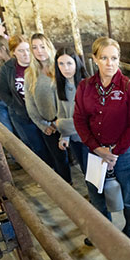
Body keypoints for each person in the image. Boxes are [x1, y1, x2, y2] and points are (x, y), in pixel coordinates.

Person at [74, 37, 130, 244]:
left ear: (119, 59)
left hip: (123, 151)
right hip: (95, 151)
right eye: (104, 57)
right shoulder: (85, 87)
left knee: (128, 192)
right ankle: (103, 232)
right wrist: (96, 148)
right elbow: (79, 118)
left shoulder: (129, 88)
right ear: (94, 58)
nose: (109, 63)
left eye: (114, 58)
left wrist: (115, 151)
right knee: (96, 192)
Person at [0, 34, 52, 165]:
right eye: (20, 50)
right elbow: (1, 91)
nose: (26, 54)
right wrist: (17, 106)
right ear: (13, 52)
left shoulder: (40, 64)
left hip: (44, 114)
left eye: (28, 49)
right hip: (22, 116)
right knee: (36, 147)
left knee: (52, 146)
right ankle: (44, 175)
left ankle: (59, 174)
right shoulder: (7, 68)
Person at [24, 33, 71, 183]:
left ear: (49, 47)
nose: (39, 51)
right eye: (35, 48)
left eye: (43, 47)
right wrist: (42, 124)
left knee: (77, 154)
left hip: (64, 120)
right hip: (47, 123)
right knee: (58, 158)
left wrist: (62, 123)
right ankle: (67, 187)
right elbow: (29, 103)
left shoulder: (60, 68)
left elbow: (68, 97)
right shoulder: (30, 74)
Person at [53, 47, 90, 175]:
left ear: (77, 63)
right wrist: (65, 136)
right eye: (61, 64)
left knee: (91, 174)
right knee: (85, 171)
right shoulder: (60, 85)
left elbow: (88, 120)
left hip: (88, 139)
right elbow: (61, 112)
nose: (66, 68)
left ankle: (97, 195)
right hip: (74, 138)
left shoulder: (86, 85)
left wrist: (60, 125)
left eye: (69, 63)